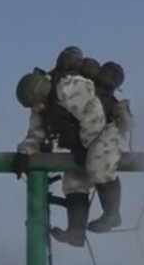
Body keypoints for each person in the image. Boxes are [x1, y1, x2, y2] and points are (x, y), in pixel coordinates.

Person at [11, 46, 126, 246]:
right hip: (84, 140)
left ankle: (112, 214)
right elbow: (36, 133)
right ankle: (76, 232)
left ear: (41, 94)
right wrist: (24, 153)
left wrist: (86, 146)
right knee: (73, 180)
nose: (35, 109)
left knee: (98, 164)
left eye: (35, 104)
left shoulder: (69, 88)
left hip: (108, 127)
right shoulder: (42, 107)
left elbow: (95, 114)